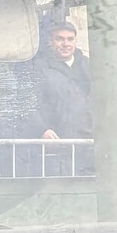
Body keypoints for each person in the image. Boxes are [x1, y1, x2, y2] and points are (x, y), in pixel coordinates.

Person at [22, 16, 94, 159]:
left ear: (75, 41)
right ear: (50, 41)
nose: (65, 43)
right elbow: (26, 103)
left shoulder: (88, 66)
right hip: (55, 149)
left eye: (70, 39)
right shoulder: (38, 68)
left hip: (88, 145)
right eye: (59, 39)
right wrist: (41, 130)